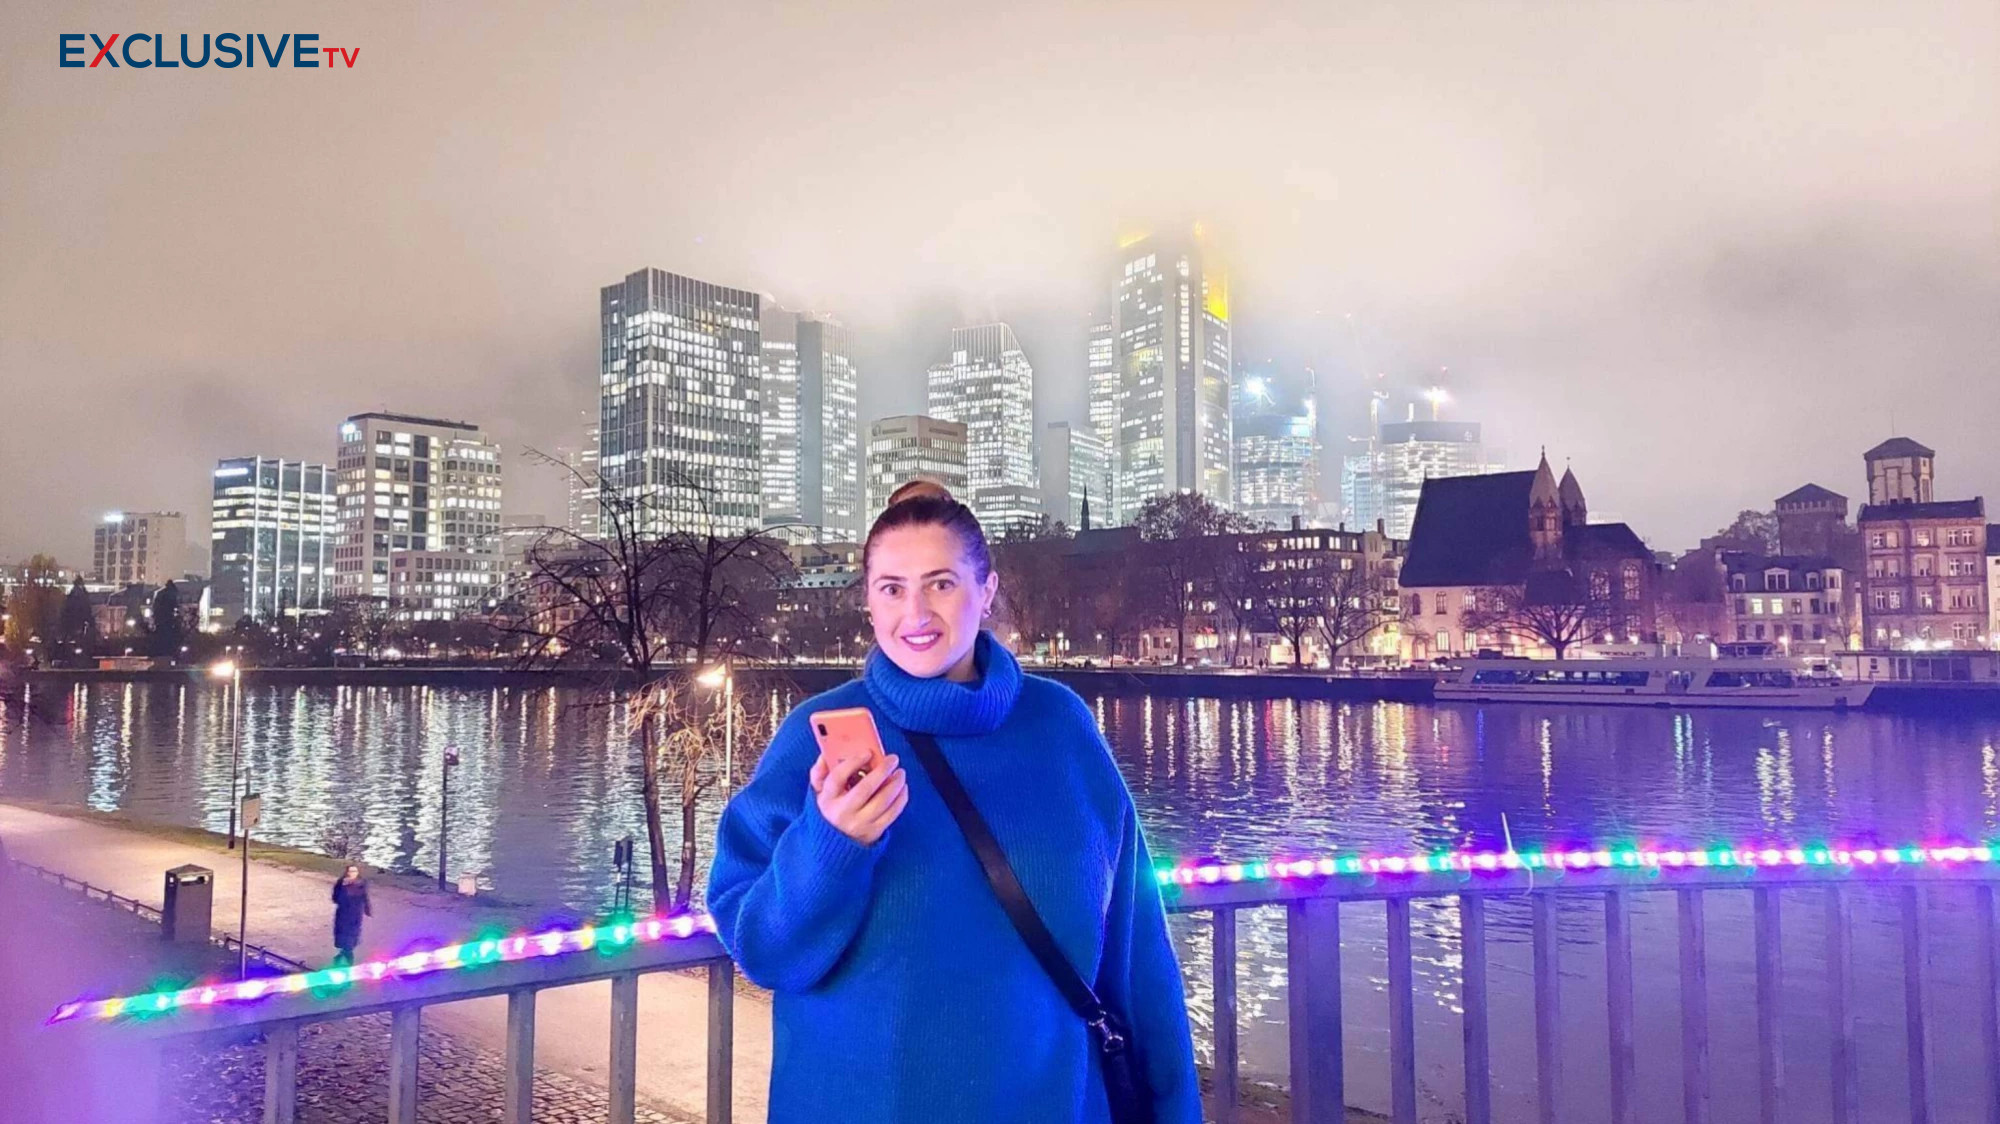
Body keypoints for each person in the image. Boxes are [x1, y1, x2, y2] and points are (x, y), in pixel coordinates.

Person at [708, 480, 1200, 1123]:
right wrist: (831, 846)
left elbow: (1138, 958)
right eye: (892, 588)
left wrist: (1175, 1108)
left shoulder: (1062, 728)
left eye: (940, 583)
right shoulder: (813, 739)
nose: (915, 614)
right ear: (868, 601)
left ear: (987, 590)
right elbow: (762, 949)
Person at [330, 864, 371, 967]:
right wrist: (344, 888)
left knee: (352, 935)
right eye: (350, 871)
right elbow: (335, 898)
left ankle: (346, 954)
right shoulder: (341, 883)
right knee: (342, 934)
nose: (352, 874)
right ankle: (343, 954)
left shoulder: (362, 883)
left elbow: (364, 896)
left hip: (355, 913)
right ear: (346, 872)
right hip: (343, 913)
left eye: (355, 871)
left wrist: (367, 909)